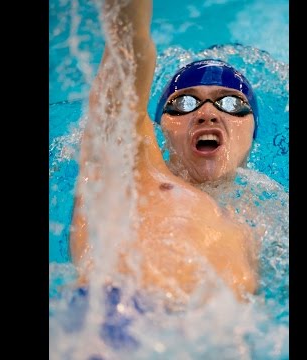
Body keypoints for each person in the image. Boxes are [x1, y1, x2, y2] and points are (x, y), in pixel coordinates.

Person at [70, 0, 260, 303]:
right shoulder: (135, 173)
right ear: (158, 130)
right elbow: (127, 47)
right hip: (116, 324)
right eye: (183, 103)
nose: (207, 114)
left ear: (253, 133)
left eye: (231, 104)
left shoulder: (267, 222)